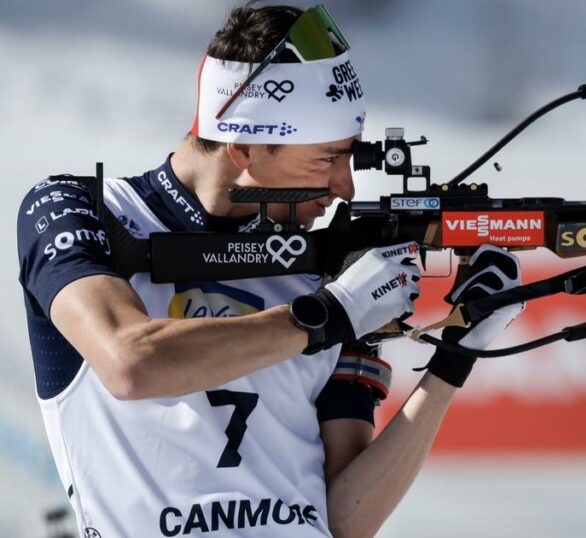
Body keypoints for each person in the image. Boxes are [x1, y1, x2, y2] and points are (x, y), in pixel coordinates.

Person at [16, 3, 524, 537]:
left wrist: (452, 362)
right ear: (243, 147)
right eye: (326, 159)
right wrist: (324, 317)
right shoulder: (84, 210)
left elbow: (346, 521)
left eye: (351, 158)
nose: (345, 187)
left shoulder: (330, 269)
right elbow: (131, 363)